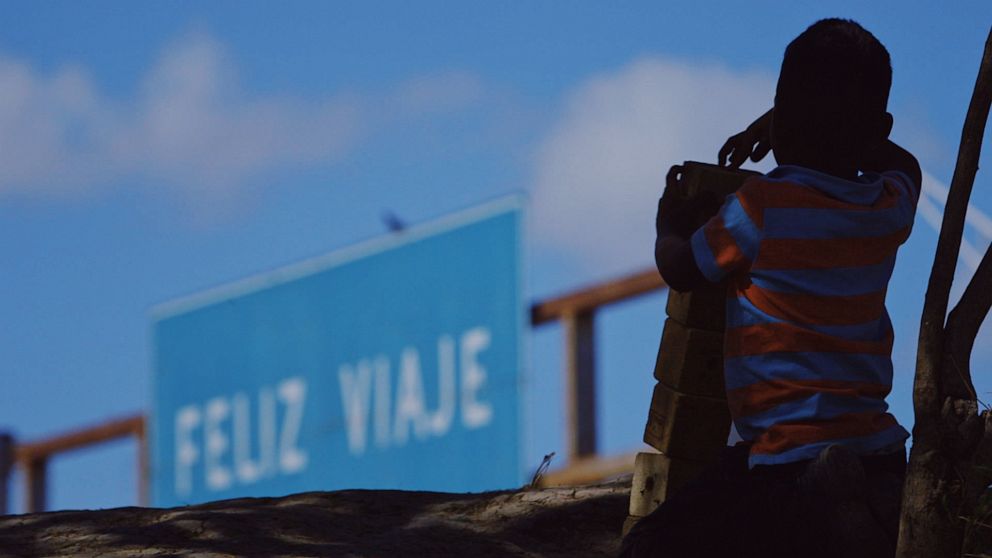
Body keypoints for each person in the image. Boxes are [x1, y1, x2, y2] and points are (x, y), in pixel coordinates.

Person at [621, 18, 922, 558]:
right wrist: (845, 130)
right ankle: (846, 503)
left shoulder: (761, 209)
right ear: (878, 128)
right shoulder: (885, 206)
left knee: (647, 546)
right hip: (874, 450)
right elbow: (907, 165)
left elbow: (683, 268)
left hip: (784, 459)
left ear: (782, 115)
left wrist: (668, 223)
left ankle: (818, 502)